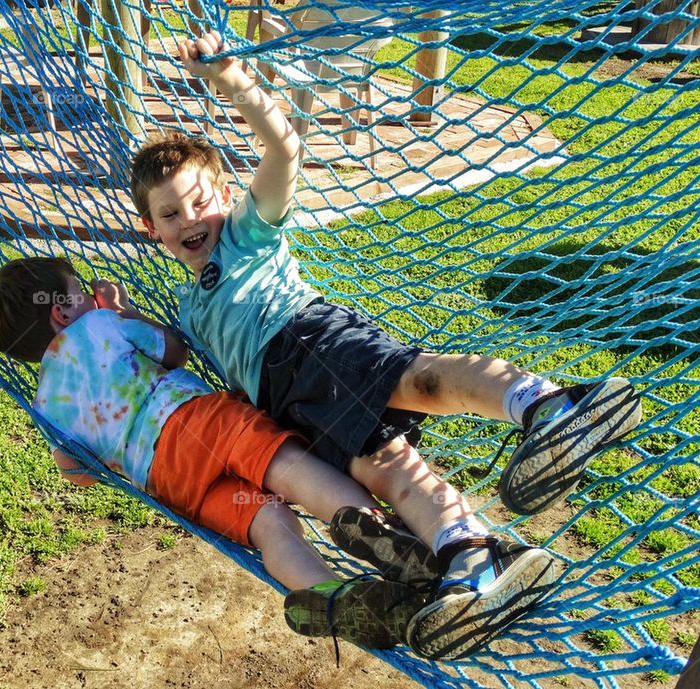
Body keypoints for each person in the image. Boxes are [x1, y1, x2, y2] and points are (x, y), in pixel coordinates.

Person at [128, 32, 643, 660]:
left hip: (311, 338)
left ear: (224, 197)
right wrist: (124, 320)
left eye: (200, 201)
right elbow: (176, 355)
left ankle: (550, 406)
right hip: (288, 402)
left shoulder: (245, 233)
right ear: (151, 229)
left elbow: (284, 148)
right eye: (172, 214)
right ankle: (474, 563)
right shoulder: (188, 307)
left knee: (421, 380)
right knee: (389, 470)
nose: (191, 220)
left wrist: (232, 80)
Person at [0, 256, 438, 652]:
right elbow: (175, 352)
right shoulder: (99, 324)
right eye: (79, 289)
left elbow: (77, 472)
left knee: (269, 523)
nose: (86, 295)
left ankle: (333, 596)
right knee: (288, 469)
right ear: (62, 311)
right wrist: (125, 310)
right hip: (197, 421)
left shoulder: (45, 404)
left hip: (165, 480)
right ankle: (381, 536)